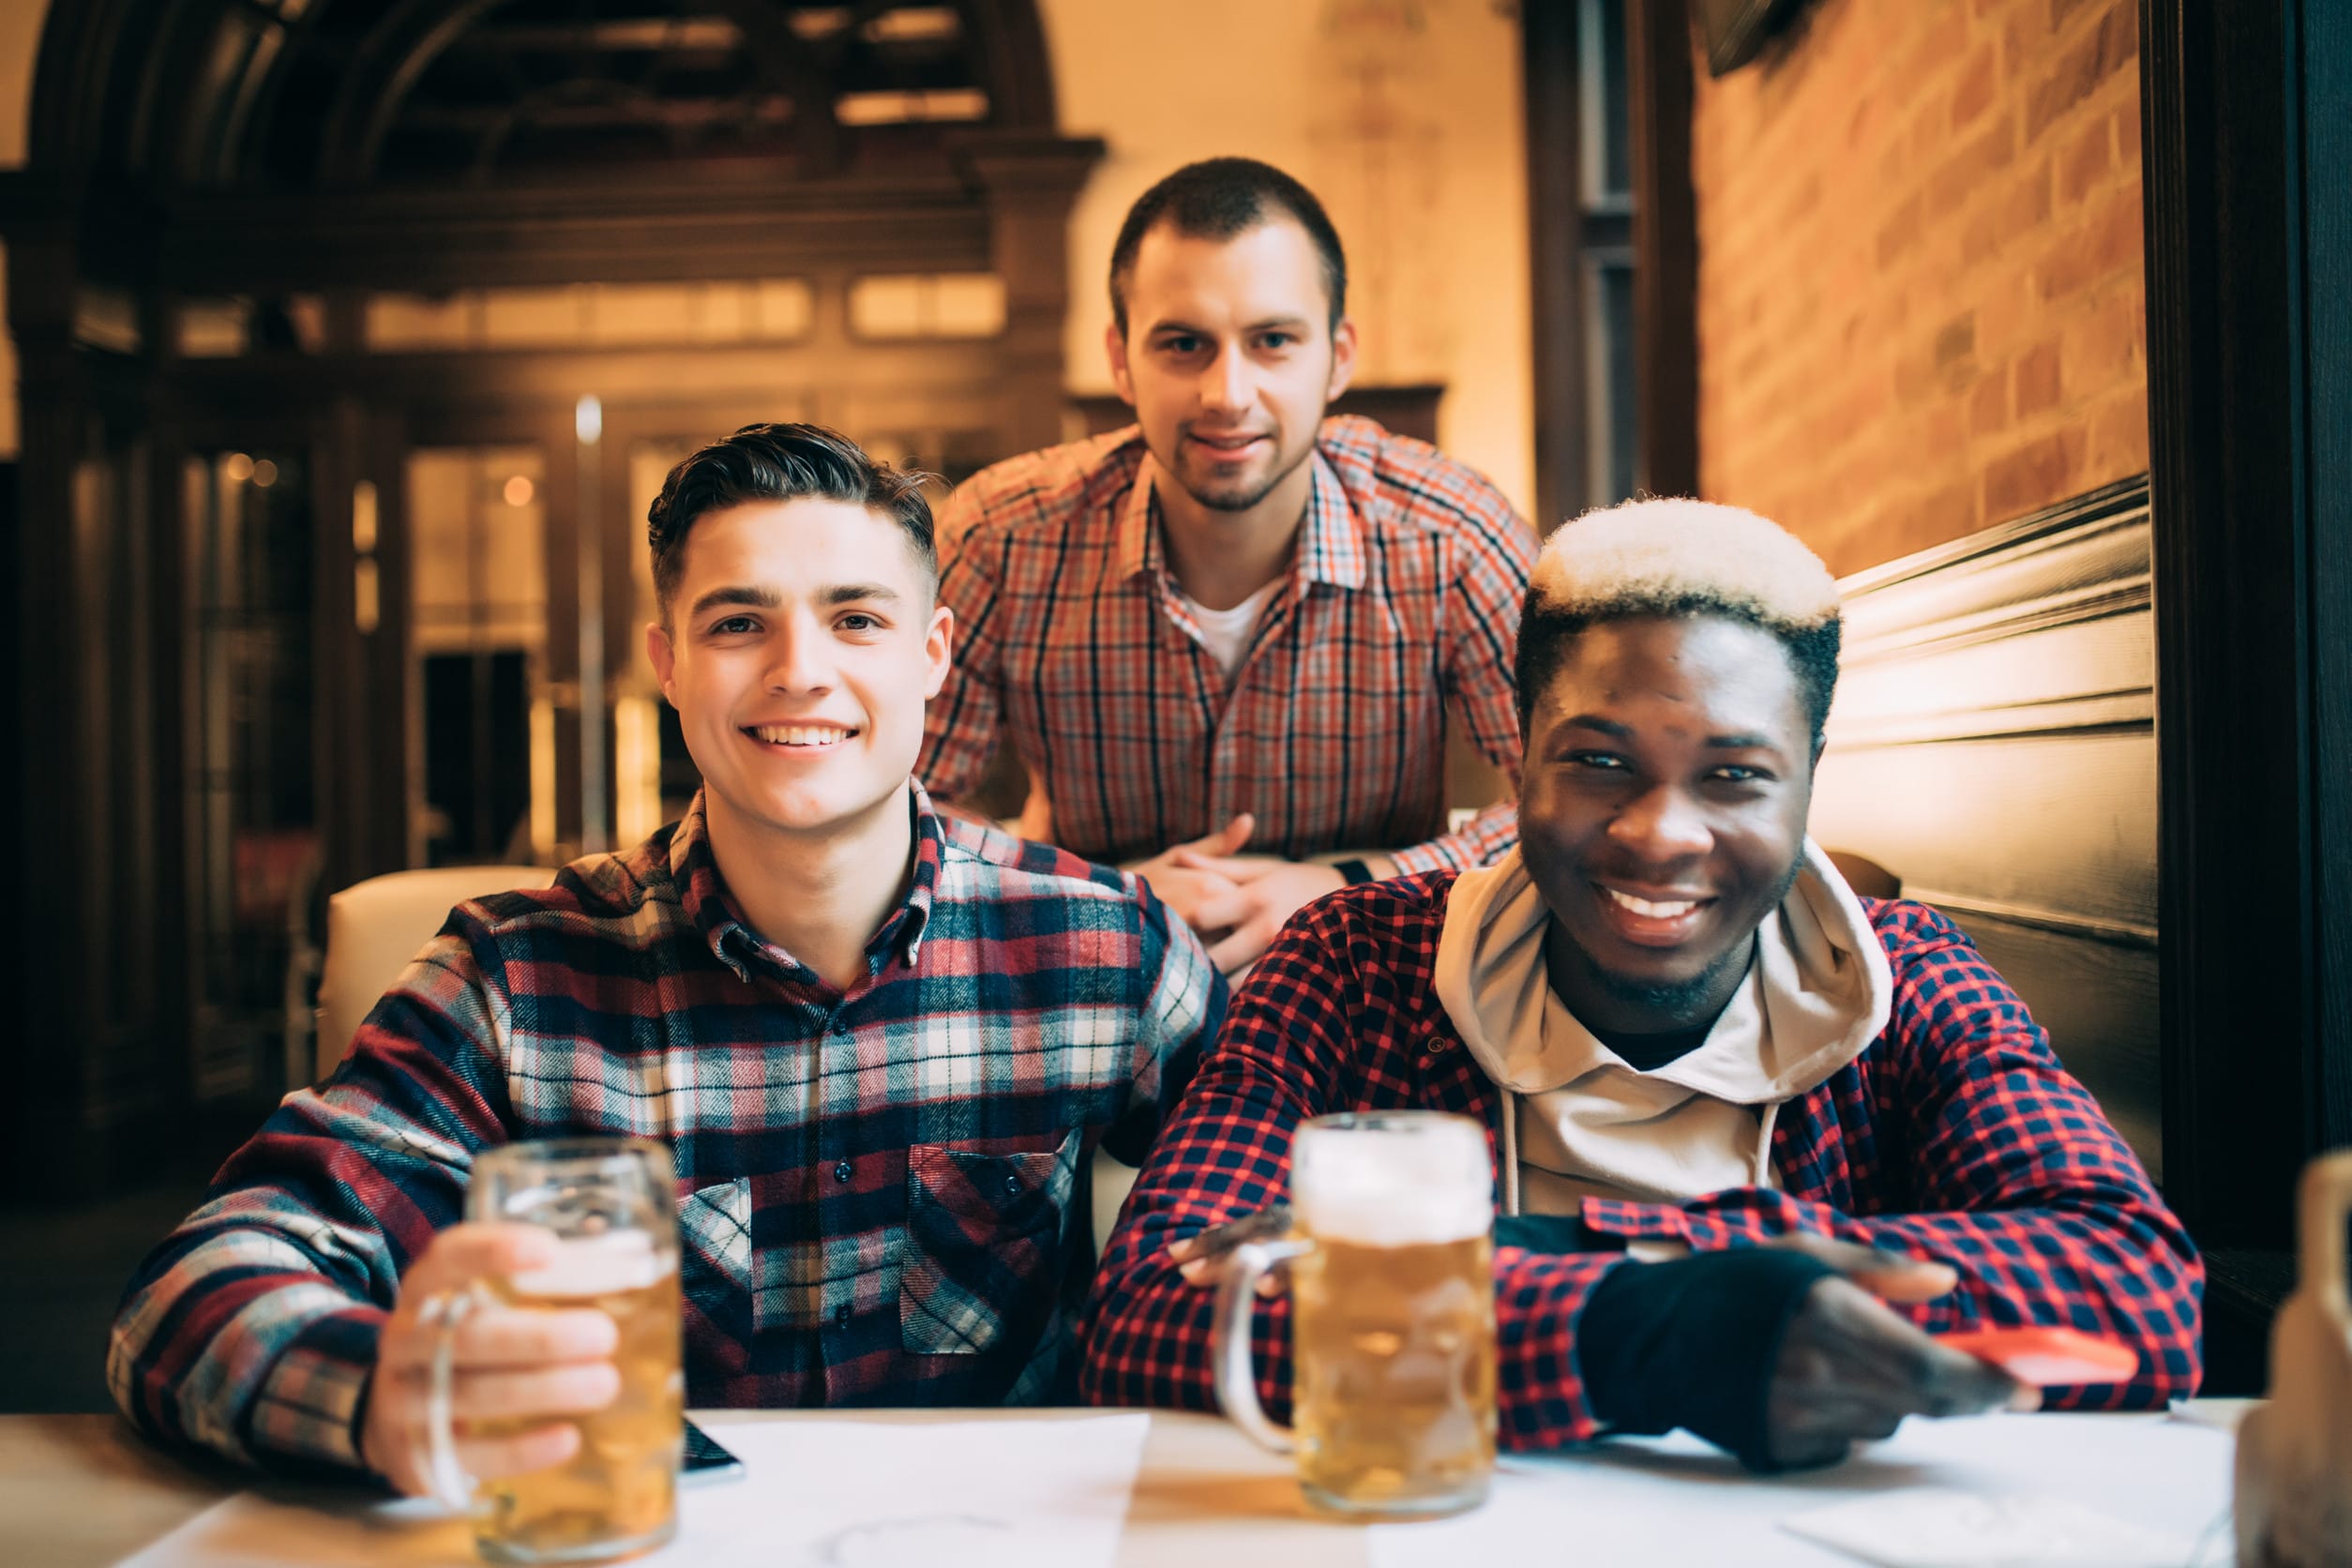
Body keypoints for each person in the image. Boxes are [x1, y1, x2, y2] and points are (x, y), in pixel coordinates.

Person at [110, 424, 1226, 1488]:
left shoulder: (1101, 947)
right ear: (669, 663)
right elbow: (193, 1289)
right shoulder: (515, 978)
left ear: (933, 655)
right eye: (739, 622)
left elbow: (1283, 1234)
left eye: (857, 621)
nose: (800, 670)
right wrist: (381, 1391)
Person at [1079, 497, 2202, 1470]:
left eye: (1734, 777)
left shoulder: (1909, 979)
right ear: (1518, 760)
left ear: (1809, 781)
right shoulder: (1358, 965)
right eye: (1601, 760)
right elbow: (1154, 1308)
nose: (1662, 834)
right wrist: (1646, 1326)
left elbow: (2136, 1285)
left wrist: (1529, 1260)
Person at [917, 158, 1539, 975]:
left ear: (1339, 356)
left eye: (1273, 341)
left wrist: (1346, 885)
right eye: (1184, 345)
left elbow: (1570, 795)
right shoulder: (1002, 537)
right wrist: (1100, 891)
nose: (1228, 393)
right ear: (1120, 358)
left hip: (1374, 979)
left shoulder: (1450, 531)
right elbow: (903, 805)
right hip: (1095, 977)